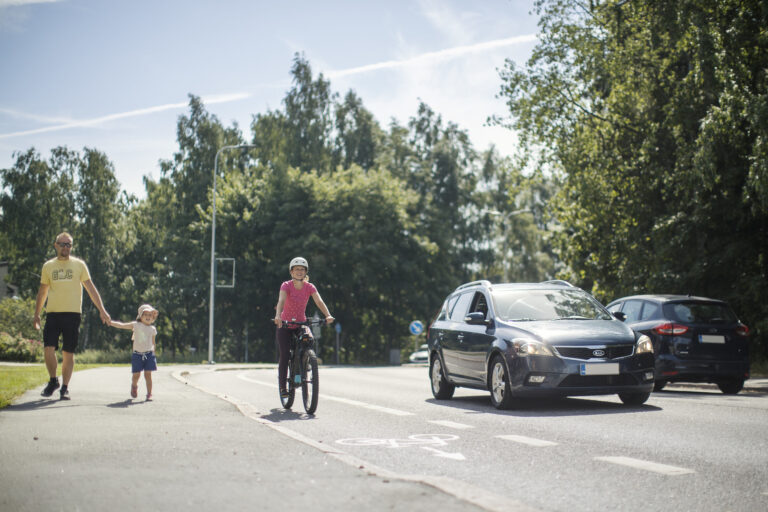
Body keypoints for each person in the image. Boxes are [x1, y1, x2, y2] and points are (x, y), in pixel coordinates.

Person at [34, 232, 111, 400]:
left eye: (68, 244)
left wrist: (102, 310)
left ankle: (65, 388)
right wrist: (37, 314)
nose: (65, 247)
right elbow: (43, 292)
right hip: (53, 314)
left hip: (72, 315)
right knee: (48, 348)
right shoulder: (48, 266)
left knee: (68, 352)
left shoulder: (79, 265)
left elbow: (91, 289)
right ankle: (53, 380)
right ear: (56, 245)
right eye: (62, 244)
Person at [273, 257, 334, 398]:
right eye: (296, 269)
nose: (299, 272)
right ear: (291, 272)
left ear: (305, 272)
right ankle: (283, 387)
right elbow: (281, 300)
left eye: (302, 269)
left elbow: (319, 301)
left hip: (301, 323)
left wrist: (328, 315)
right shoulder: (286, 285)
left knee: (309, 339)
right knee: (285, 354)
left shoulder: (309, 287)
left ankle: (305, 362)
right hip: (285, 324)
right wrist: (278, 316)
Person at [110, 304, 159, 401]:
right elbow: (122, 325)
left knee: (148, 375)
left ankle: (149, 394)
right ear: (140, 316)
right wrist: (110, 322)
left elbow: (153, 342)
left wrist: (153, 352)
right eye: (145, 315)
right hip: (137, 354)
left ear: (153, 317)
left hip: (149, 354)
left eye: (150, 315)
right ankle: (134, 386)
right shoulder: (136, 325)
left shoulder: (152, 329)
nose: (148, 317)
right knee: (136, 375)